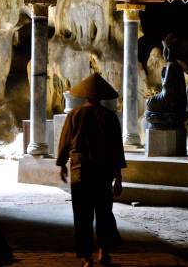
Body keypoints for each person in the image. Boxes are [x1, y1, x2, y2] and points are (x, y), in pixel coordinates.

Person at [56, 73, 126, 267]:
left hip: (80, 172)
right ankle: (103, 252)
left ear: (86, 96)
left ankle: (87, 258)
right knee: (104, 213)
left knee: (82, 216)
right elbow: (116, 149)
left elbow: (65, 142)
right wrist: (118, 178)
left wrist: (62, 164)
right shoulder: (109, 117)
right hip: (103, 173)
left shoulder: (74, 115)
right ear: (102, 97)